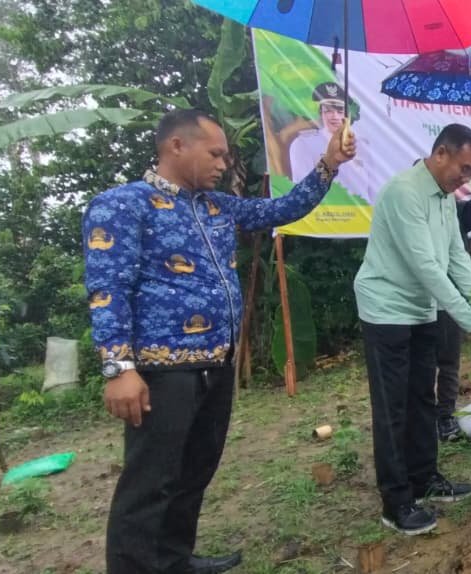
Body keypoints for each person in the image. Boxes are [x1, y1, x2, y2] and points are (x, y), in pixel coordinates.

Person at [86, 109, 355, 573]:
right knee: (151, 481)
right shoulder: (122, 205)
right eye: (214, 154)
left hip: (217, 362)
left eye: (225, 156)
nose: (223, 164)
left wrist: (329, 164)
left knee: (195, 470)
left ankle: (174, 560)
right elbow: (108, 288)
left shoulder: (216, 206)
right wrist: (119, 368)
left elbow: (281, 210)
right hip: (163, 370)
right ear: (176, 146)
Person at [354, 124, 471, 536]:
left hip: (422, 310)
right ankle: (396, 501)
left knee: (422, 397)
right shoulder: (404, 192)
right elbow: (427, 267)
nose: (467, 178)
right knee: (392, 407)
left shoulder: (446, 199)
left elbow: (456, 258)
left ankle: (424, 478)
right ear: (441, 154)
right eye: (465, 169)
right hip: (386, 309)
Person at [436, 173, 471, 442]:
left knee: (449, 361)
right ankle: (422, 418)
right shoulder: (408, 213)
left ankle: (445, 416)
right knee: (420, 365)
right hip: (414, 304)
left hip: (450, 303)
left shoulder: (454, 212)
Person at [287, 81, 375, 203]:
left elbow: (372, 191)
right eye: (328, 111)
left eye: (340, 111)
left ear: (348, 115)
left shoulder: (361, 146)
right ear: (321, 113)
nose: (334, 117)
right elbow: (301, 190)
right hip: (324, 212)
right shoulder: (303, 144)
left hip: (359, 211)